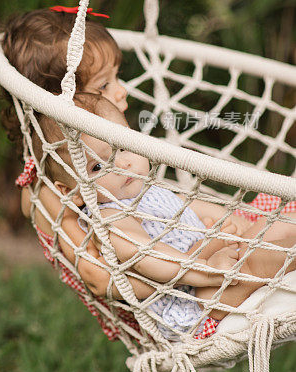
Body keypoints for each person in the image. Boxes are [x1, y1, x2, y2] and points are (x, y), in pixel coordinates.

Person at [35, 92, 296, 337]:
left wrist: (236, 221)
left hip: (213, 260)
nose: (122, 164)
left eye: (122, 147)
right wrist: (207, 270)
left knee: (274, 225)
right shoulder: (111, 218)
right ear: (73, 192)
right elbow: (146, 257)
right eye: (99, 166)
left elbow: (192, 206)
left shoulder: (146, 192)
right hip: (193, 300)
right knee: (257, 259)